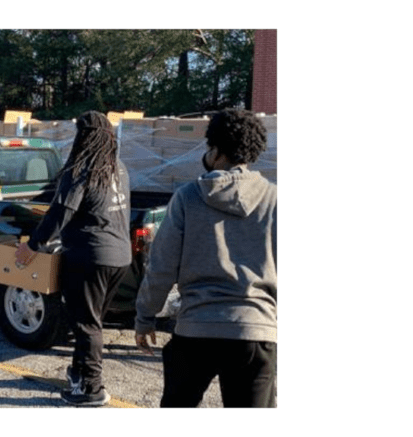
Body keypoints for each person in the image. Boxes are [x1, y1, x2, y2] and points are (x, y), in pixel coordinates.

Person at [135, 109, 277, 408]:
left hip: (195, 330)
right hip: (254, 330)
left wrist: (145, 317)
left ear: (215, 149)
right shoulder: (274, 200)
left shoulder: (188, 197)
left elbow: (161, 267)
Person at [15, 111, 131, 407]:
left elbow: (60, 212)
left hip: (89, 256)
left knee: (86, 325)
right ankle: (78, 372)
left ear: (84, 136)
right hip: (119, 256)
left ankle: (92, 389)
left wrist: (33, 245)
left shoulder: (81, 169)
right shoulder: (118, 168)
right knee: (91, 321)